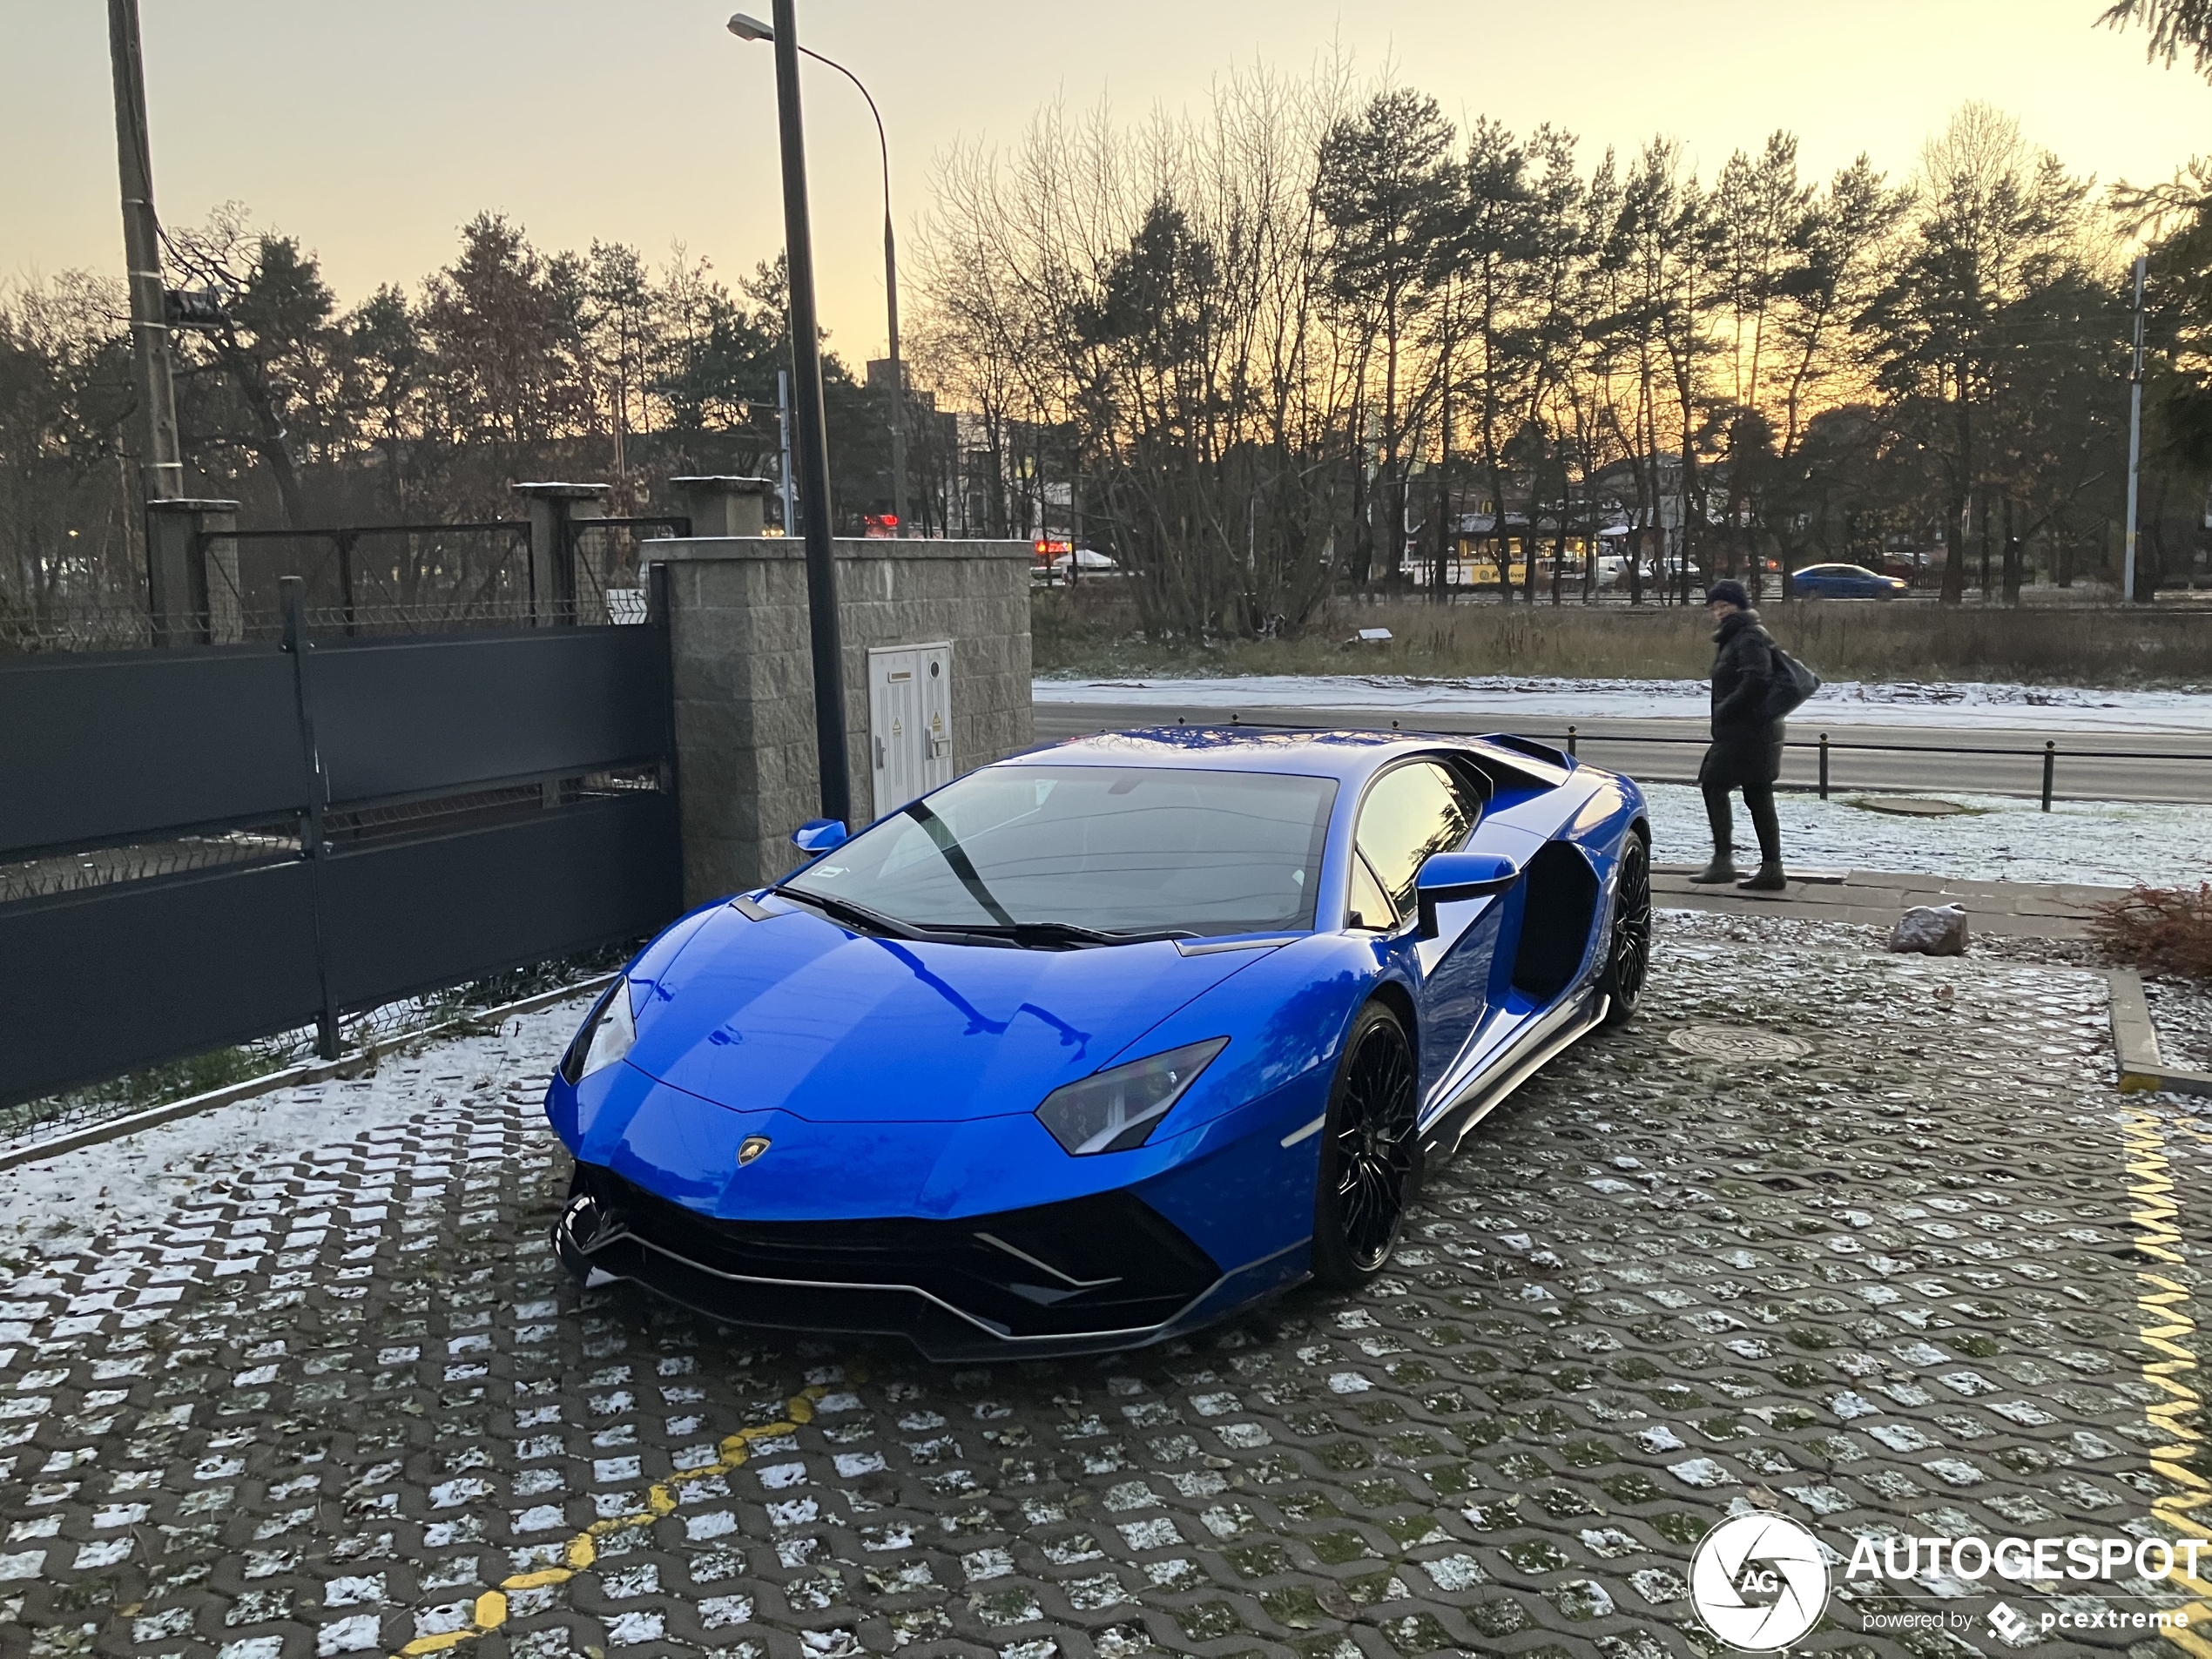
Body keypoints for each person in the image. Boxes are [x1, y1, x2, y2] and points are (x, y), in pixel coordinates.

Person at [1692, 580, 1787, 892]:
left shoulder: (1747, 637)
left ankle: (1723, 863)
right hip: (1754, 730)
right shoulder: (1738, 637)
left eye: (1725, 606)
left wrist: (1726, 710)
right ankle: (1771, 869)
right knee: (1758, 794)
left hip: (1746, 732)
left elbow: (1757, 680)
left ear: (1740, 606)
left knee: (1714, 784)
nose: (1719, 612)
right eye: (1715, 607)